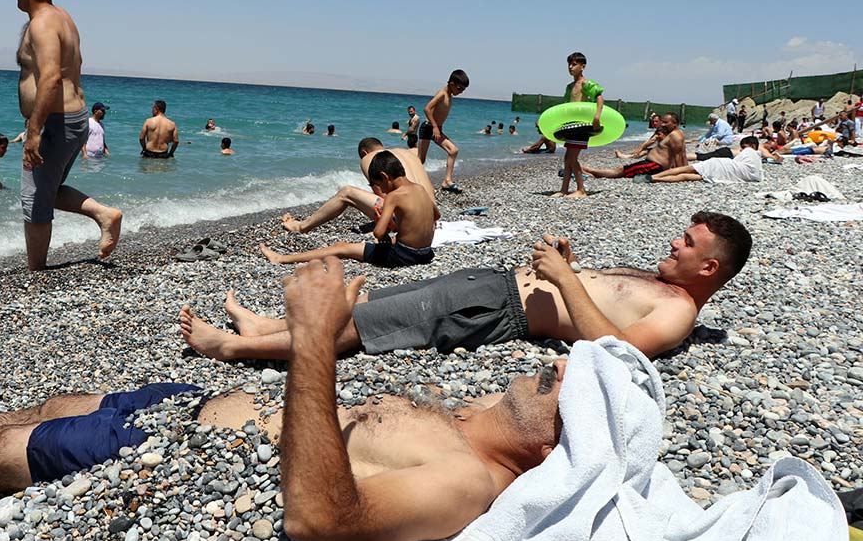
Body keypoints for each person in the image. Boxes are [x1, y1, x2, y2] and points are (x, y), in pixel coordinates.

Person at [0, 256, 568, 541]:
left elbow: (321, 517)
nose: (559, 366)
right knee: (60, 401)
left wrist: (313, 338)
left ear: (552, 443)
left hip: (190, 456)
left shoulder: (467, 480)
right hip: (205, 408)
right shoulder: (471, 423)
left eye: (572, 387)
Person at [181, 211, 750, 362]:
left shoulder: (677, 312)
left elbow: (615, 349)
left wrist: (560, 279)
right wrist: (570, 268)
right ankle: (267, 326)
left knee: (364, 325)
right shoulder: (658, 280)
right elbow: (599, 302)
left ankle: (233, 347)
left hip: (496, 309)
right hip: (492, 283)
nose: (674, 243)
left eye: (687, 244)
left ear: (709, 270)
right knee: (376, 300)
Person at [14, 0, 123, 269]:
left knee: (35, 200)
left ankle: (36, 270)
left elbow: (51, 78)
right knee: (49, 191)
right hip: (71, 118)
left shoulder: (42, 24)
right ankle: (103, 214)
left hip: (56, 122)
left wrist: (34, 132)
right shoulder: (62, 17)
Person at [261, 151, 435, 268]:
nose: (381, 191)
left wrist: (386, 238)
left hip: (404, 256)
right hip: (426, 253)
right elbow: (436, 215)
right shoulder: (420, 189)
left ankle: (281, 258)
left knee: (341, 248)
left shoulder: (394, 196)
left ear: (384, 176)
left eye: (379, 185)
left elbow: (379, 232)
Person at [280, 137, 439, 234]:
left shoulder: (370, 159)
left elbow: (384, 197)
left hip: (409, 220)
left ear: (364, 152)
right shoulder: (408, 153)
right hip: (429, 216)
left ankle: (301, 226)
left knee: (347, 192)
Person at [554, 52, 604, 198]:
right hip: (572, 126)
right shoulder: (569, 87)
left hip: (582, 127)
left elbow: (600, 98)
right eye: (569, 64)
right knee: (567, 158)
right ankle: (564, 189)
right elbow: (566, 106)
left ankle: (581, 190)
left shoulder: (585, 83)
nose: (571, 67)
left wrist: (597, 117)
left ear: (583, 67)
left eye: (574, 64)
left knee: (571, 158)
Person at [584, 112, 686, 180]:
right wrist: (686, 170)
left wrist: (681, 173)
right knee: (622, 169)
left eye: (666, 122)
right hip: (652, 164)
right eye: (663, 122)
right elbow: (682, 153)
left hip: (654, 166)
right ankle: (591, 173)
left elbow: (679, 155)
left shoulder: (675, 135)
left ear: (675, 123)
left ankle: (589, 170)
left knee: (620, 170)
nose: (663, 124)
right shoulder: (676, 133)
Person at [417, 69, 467, 191]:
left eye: (463, 89)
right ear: (451, 84)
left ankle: (447, 181)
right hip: (428, 128)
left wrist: (437, 128)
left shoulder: (449, 95)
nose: (461, 92)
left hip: (437, 129)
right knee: (420, 160)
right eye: (460, 88)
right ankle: (411, 181)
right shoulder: (442, 94)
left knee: (453, 151)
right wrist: (434, 126)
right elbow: (427, 108)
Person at [646, 137, 764, 184]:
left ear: (752, 146)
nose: (741, 149)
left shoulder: (749, 151)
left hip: (719, 164)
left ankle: (655, 176)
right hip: (726, 174)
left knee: (685, 169)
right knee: (688, 176)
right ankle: (656, 179)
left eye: (743, 147)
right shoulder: (758, 160)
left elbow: (736, 162)